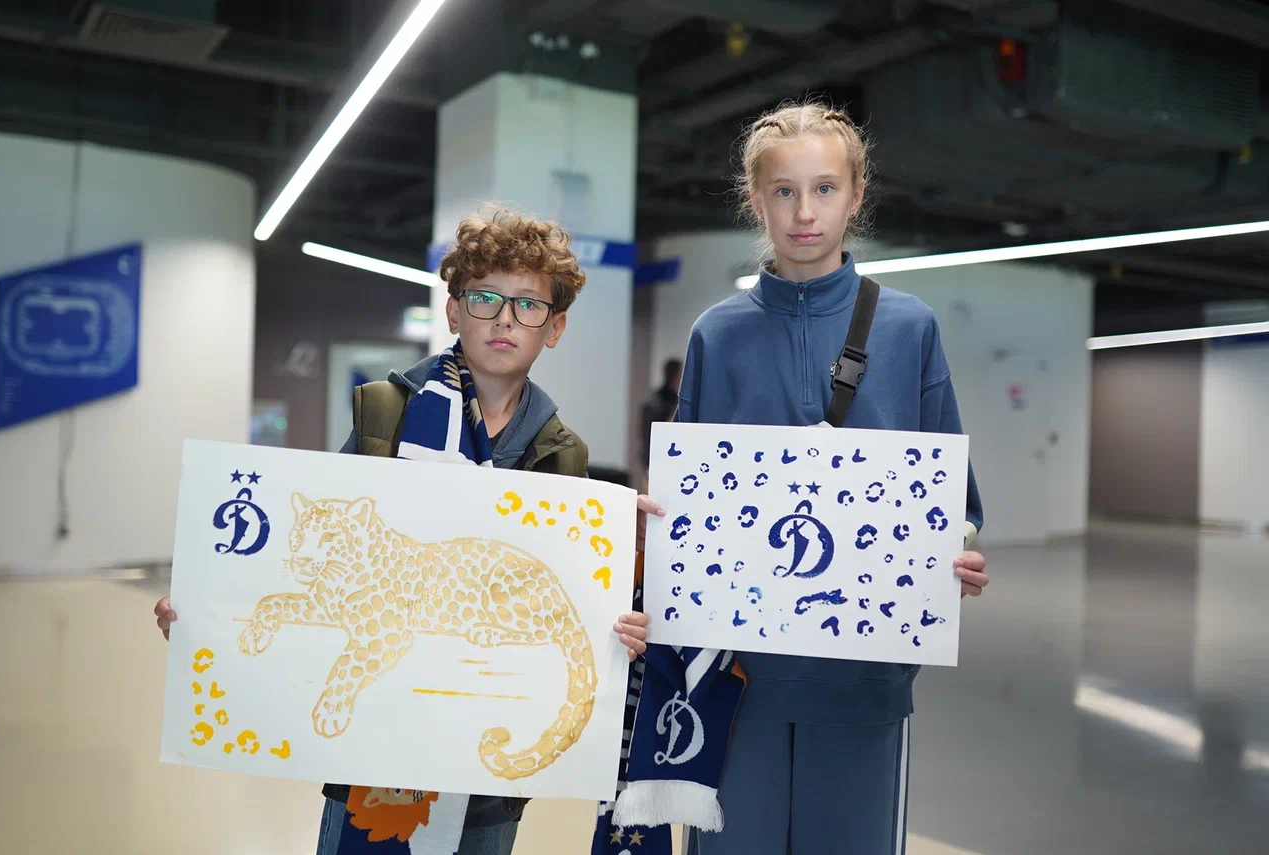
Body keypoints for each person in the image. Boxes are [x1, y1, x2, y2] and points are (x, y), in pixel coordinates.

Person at [155, 210, 652, 855]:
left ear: (554, 328)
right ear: (454, 311)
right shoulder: (386, 416)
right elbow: (313, 549)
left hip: (488, 750)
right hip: (372, 748)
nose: (505, 319)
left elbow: (572, 603)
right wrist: (211, 614)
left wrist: (616, 628)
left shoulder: (561, 455)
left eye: (529, 305)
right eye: (486, 298)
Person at [638, 101, 990, 855]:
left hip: (865, 680)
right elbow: (686, 499)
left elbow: (951, 495)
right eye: (785, 191)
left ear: (856, 195)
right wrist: (655, 533)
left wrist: (954, 552)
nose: (805, 212)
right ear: (756, 200)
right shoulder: (716, 335)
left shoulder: (909, 329)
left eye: (825, 188)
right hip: (735, 679)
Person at [639, 358, 682, 481]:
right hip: (662, 457)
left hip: (654, 456)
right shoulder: (668, 403)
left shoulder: (652, 399)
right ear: (677, 376)